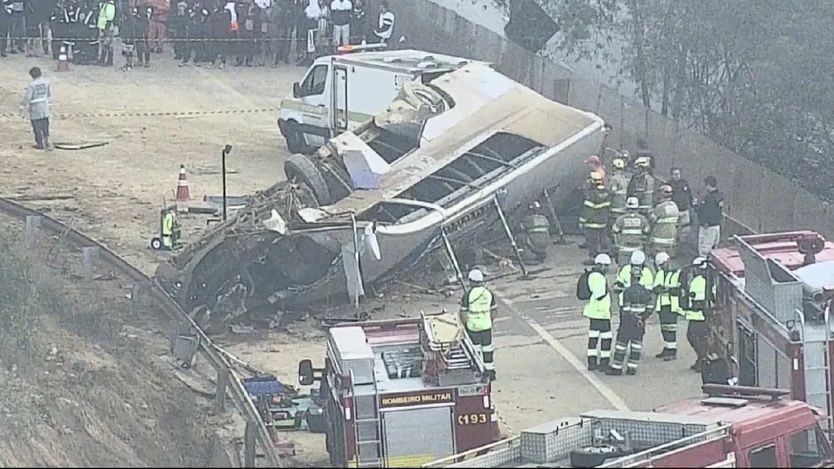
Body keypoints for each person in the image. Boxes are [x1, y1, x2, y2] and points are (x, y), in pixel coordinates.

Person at [606, 266, 654, 376]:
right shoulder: (646, 292)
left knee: (621, 345)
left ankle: (617, 367)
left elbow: (626, 309)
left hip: (628, 323)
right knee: (636, 346)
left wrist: (633, 318)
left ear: (632, 277)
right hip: (640, 324)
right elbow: (650, 308)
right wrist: (641, 318)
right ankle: (632, 368)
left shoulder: (628, 291)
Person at [459, 269, 497, 381]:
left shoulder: (468, 294)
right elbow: (494, 310)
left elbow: (463, 313)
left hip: (473, 327)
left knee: (475, 350)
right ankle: (490, 371)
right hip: (486, 325)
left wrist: (464, 324)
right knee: (487, 349)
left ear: (471, 281)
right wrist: (489, 320)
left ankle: (477, 370)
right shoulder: (488, 293)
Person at [583, 253, 612, 371]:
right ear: (600, 265)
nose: (607, 268)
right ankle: (604, 363)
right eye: (606, 266)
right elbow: (600, 295)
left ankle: (592, 362)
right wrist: (608, 290)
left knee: (593, 337)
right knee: (606, 338)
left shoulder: (592, 275)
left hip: (593, 312)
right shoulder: (599, 277)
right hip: (601, 313)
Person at [652, 252, 682, 361]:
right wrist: (660, 289)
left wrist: (667, 289)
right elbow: (655, 288)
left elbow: (679, 289)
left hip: (672, 304)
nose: (662, 267)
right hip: (662, 304)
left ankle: (672, 351)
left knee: (671, 328)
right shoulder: (660, 274)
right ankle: (667, 348)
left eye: (663, 264)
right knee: (664, 328)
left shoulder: (677, 273)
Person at [684, 256, 711, 372]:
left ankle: (703, 359)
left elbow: (697, 299)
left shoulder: (698, 281)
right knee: (699, 338)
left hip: (699, 315)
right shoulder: (706, 279)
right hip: (701, 314)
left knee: (694, 337)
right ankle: (701, 359)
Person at [579, 171, 611, 265]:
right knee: (602, 240)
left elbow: (588, 210)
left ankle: (593, 258)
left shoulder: (591, 194)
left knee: (592, 242)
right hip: (603, 221)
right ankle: (604, 256)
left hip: (592, 223)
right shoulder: (605, 192)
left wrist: (582, 221)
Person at [19, 66, 52, 151]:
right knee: (45, 124)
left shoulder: (32, 85)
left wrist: (23, 105)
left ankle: (40, 143)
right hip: (45, 106)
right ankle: (47, 141)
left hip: (35, 107)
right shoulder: (46, 82)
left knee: (37, 125)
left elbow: (28, 97)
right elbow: (48, 94)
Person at [611, 196, 649, 267]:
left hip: (624, 249)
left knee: (623, 269)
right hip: (638, 248)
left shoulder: (620, 219)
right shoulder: (642, 219)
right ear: (637, 208)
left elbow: (615, 232)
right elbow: (647, 232)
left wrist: (617, 245)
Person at [694, 175, 724, 257]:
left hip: (708, 227)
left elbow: (704, 211)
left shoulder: (709, 198)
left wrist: (696, 206)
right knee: (714, 249)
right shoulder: (720, 196)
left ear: (708, 185)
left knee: (705, 248)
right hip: (717, 225)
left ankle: (703, 266)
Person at [649, 185, 680, 258]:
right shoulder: (675, 206)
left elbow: (652, 220)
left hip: (659, 240)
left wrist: (650, 212)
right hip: (671, 240)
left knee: (658, 260)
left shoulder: (660, 207)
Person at [669, 167, 693, 246]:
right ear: (671, 175)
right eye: (675, 174)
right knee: (674, 229)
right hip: (675, 211)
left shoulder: (684, 183)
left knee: (686, 229)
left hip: (684, 210)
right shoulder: (669, 185)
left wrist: (691, 203)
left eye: (678, 174)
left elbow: (689, 194)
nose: (677, 176)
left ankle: (683, 245)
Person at [96, 0, 115, 65]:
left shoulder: (110, 5)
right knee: (104, 44)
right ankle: (103, 59)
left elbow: (109, 18)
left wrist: (106, 29)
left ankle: (109, 60)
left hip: (107, 28)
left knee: (108, 44)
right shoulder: (105, 4)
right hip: (103, 27)